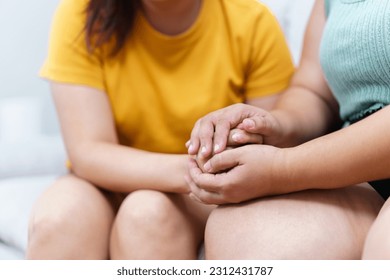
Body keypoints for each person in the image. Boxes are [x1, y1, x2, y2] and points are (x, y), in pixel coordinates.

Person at [26, 0, 294, 259]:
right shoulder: (81, 14)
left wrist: (204, 177)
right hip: (107, 181)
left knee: (146, 215)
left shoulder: (252, 21)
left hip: (196, 196)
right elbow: (88, 151)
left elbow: (268, 143)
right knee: (59, 222)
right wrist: (194, 171)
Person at [186, 0, 390, 259]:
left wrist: (280, 168)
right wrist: (276, 125)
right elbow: (313, 91)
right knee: (246, 233)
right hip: (357, 169)